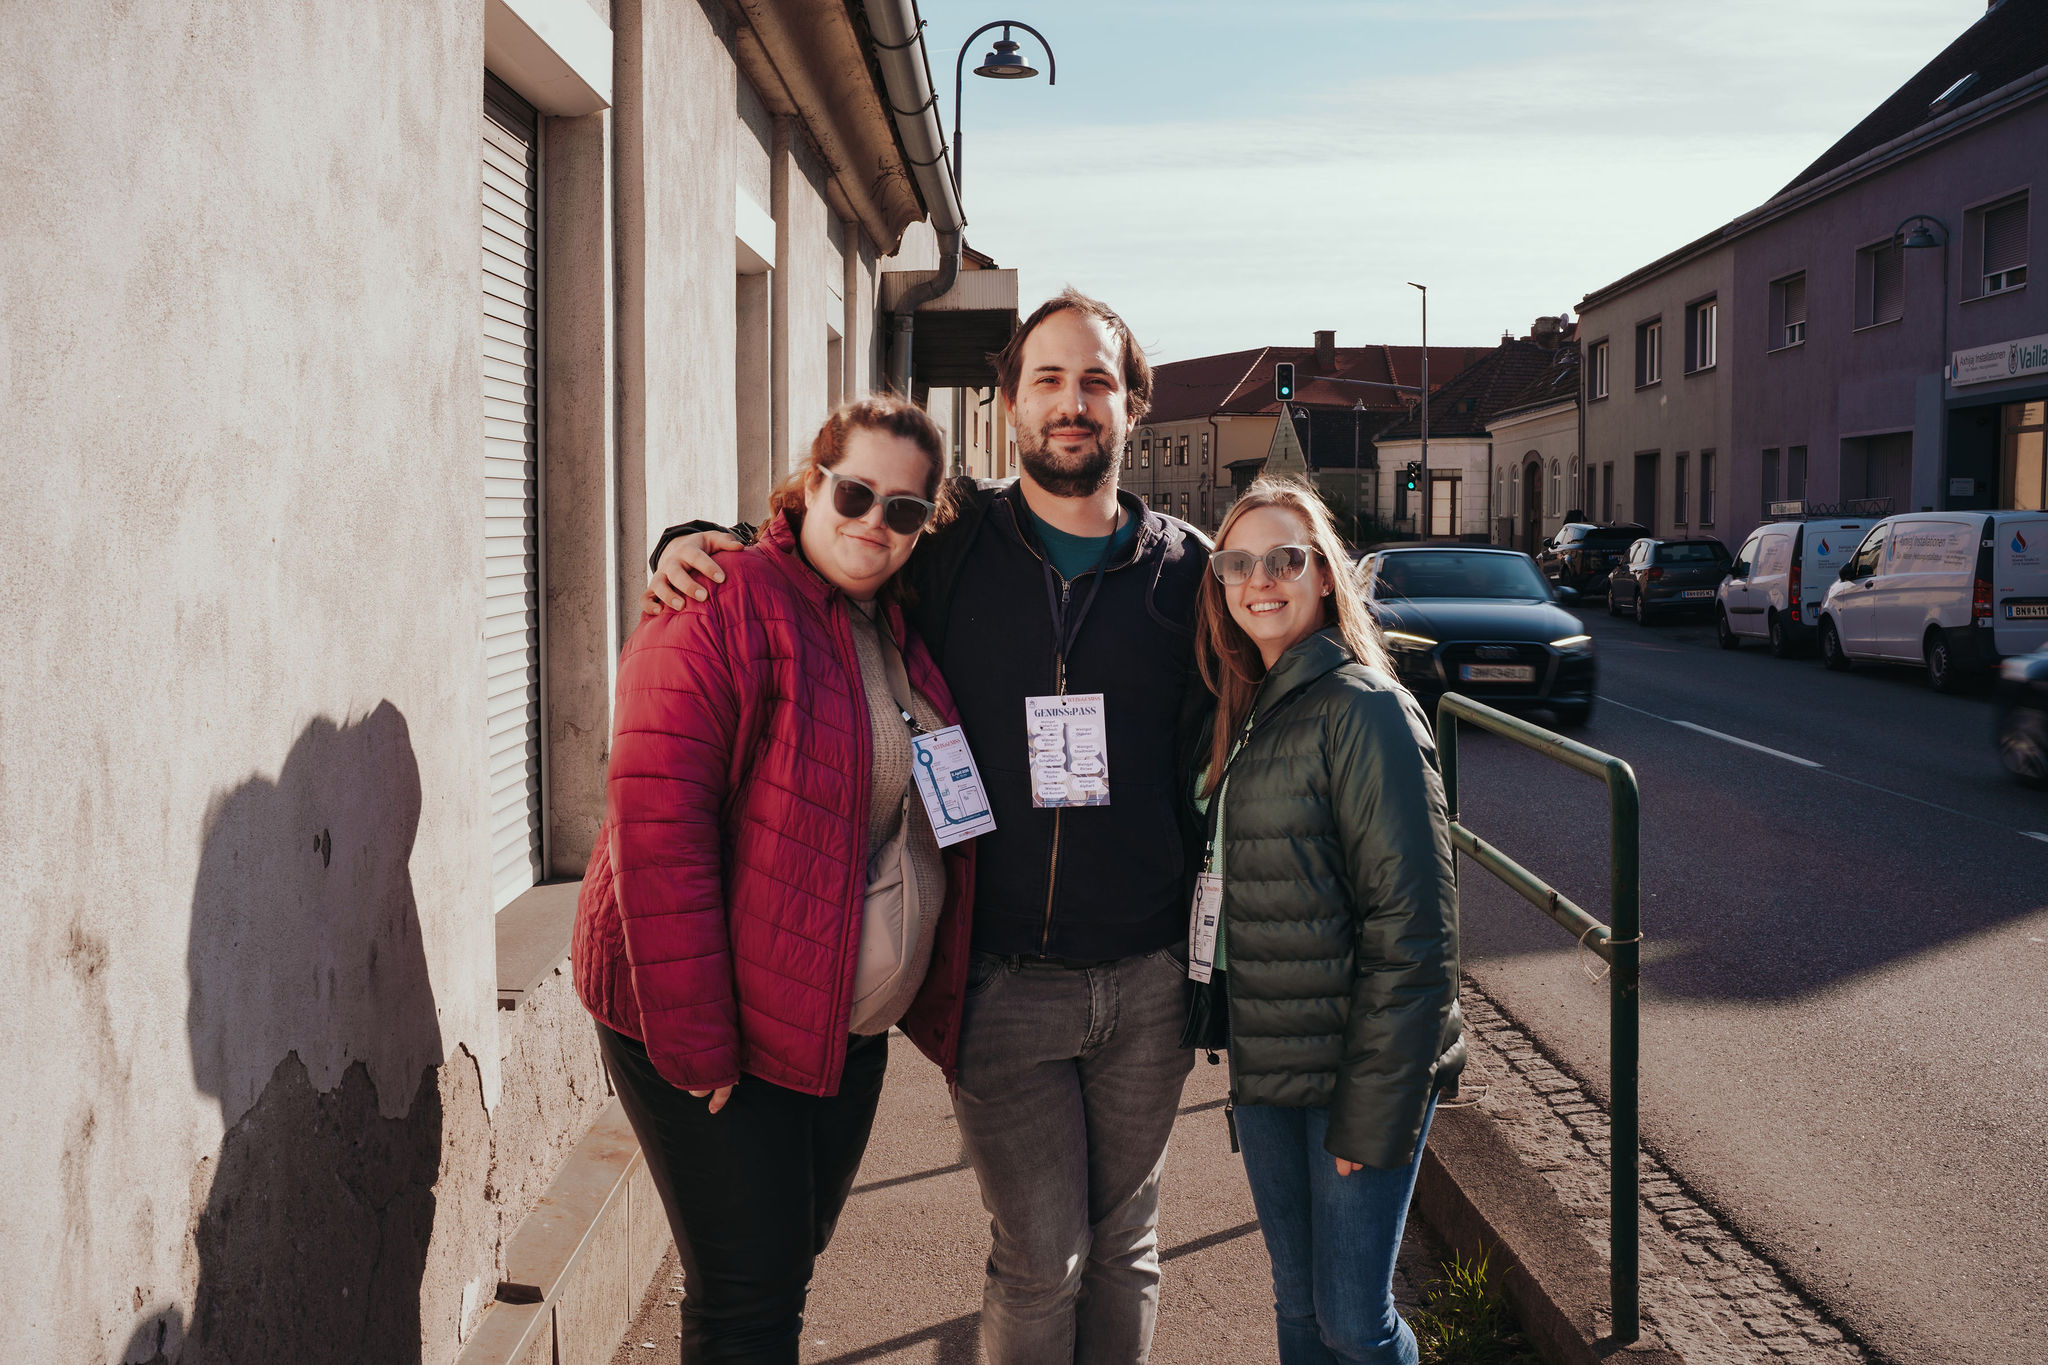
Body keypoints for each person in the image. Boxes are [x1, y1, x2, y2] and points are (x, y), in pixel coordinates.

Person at [647, 290, 1209, 1364]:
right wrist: (693, 543)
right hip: (998, 979)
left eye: (1096, 381)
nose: (1072, 403)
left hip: (1146, 981)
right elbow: (824, 542)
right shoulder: (949, 540)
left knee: (1128, 1242)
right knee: (1040, 1256)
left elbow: (1288, 662)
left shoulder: (1187, 573)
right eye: (1047, 380)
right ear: (1010, 404)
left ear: (1132, 405)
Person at [572, 395, 978, 1362]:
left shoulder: (896, 623)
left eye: (904, 509)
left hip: (837, 1030)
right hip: (720, 1031)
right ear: (811, 481)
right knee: (749, 1301)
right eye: (855, 493)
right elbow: (658, 833)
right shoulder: (717, 598)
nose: (873, 522)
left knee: (783, 1259)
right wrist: (698, 1046)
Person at [1188, 478, 1463, 1365]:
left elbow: (1416, 932)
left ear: (1324, 574)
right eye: (1237, 563)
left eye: (1284, 558)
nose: (1259, 579)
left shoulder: (1364, 707)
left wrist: (1371, 1108)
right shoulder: (1251, 705)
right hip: (1270, 1056)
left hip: (1354, 1064)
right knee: (1300, 1307)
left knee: (1353, 1321)